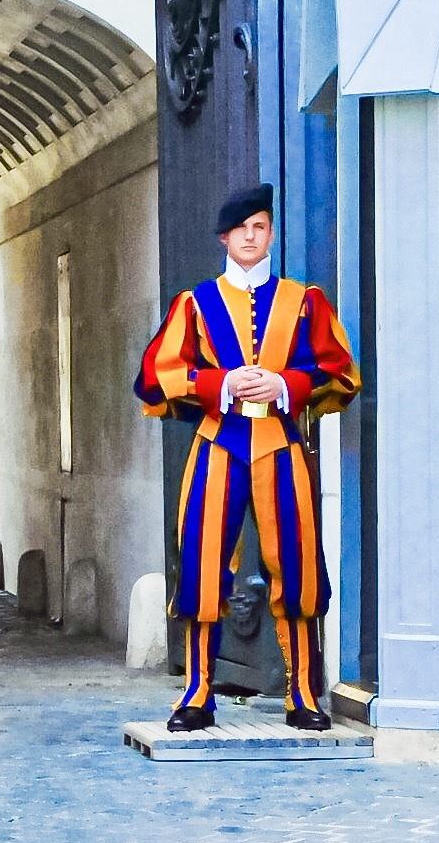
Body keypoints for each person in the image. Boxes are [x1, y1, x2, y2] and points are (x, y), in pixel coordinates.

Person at [134, 183, 360, 733]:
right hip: (219, 442)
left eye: (260, 228)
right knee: (202, 564)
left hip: (281, 445)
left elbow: (341, 372)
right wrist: (222, 382)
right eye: (242, 230)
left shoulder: (303, 301)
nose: (251, 237)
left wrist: (284, 384)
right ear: (225, 238)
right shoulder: (196, 303)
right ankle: (196, 693)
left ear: (270, 234)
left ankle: (303, 693)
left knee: (299, 566)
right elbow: (153, 377)